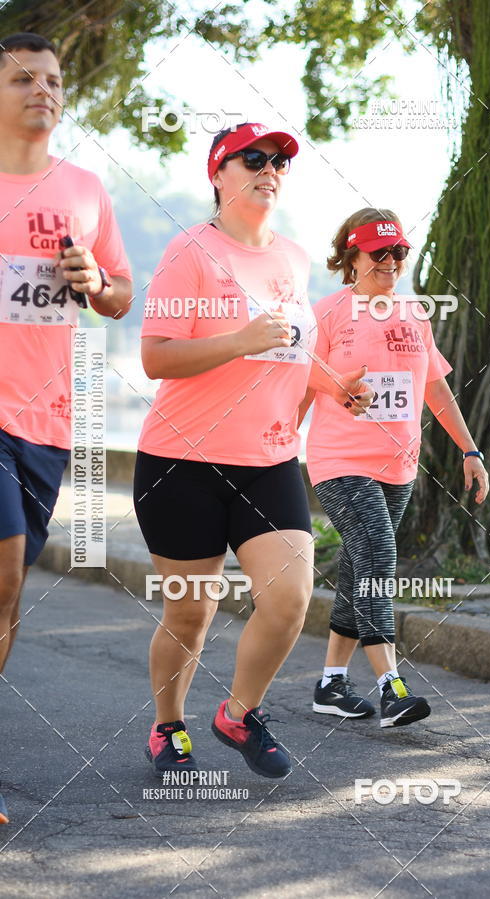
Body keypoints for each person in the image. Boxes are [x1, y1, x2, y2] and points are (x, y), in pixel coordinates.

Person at [134, 122, 373, 779]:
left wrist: (334, 385)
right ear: (219, 174)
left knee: (291, 598)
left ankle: (239, 713)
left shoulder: (293, 259)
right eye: (254, 159)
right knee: (190, 606)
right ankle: (168, 726)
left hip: (268, 461)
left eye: (279, 161)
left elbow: (293, 349)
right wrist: (237, 340)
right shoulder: (189, 252)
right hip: (182, 463)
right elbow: (155, 355)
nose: (270, 168)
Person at [0, 32, 132, 824]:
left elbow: (120, 297)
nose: (42, 90)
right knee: (6, 571)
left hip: (47, 420)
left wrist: (96, 280)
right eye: (21, 79)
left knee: (8, 604)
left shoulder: (85, 188)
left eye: (52, 80)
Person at [299, 208, 489, 728]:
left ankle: (331, 684)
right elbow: (300, 385)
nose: (389, 261)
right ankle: (392, 685)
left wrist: (471, 452)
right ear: (351, 256)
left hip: (398, 466)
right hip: (339, 461)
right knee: (379, 552)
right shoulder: (329, 312)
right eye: (377, 252)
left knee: (361, 567)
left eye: (398, 252)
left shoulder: (414, 314)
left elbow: (434, 388)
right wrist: (274, 454)